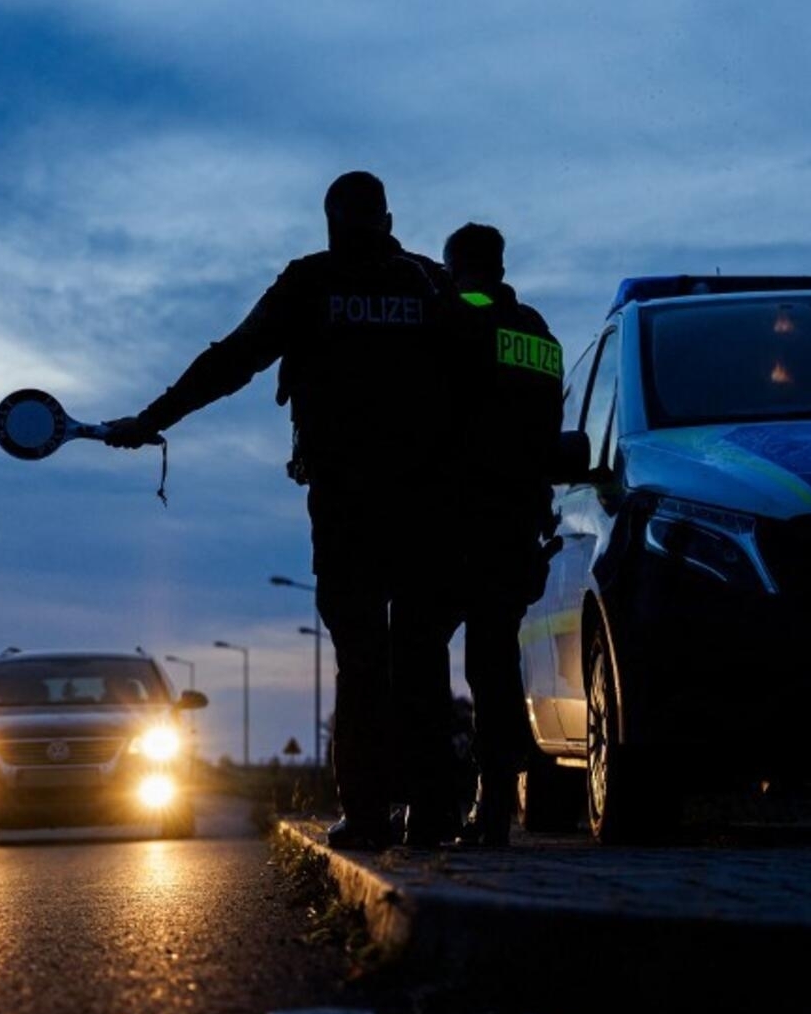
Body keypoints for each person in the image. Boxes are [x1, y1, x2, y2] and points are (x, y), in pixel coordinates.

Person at [104, 171, 462, 850]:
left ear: (331, 223)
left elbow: (231, 360)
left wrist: (154, 417)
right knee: (420, 654)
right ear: (387, 220)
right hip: (427, 501)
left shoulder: (311, 283)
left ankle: (367, 813)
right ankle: (435, 811)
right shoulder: (428, 284)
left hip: (348, 499)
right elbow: (474, 382)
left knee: (361, 658)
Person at [442, 223, 564, 847]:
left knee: (418, 652)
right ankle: (493, 806)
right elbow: (548, 428)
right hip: (514, 520)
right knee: (493, 665)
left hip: (450, 518)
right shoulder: (538, 335)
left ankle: (431, 800)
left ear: (457, 265)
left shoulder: (449, 320)